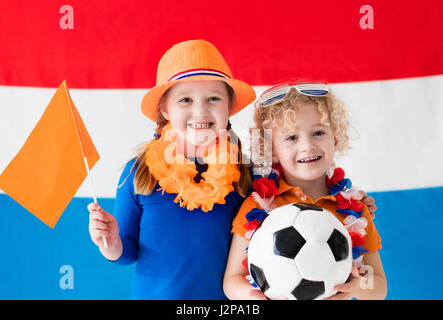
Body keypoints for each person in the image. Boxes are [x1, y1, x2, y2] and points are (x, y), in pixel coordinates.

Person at [87, 40, 378, 299]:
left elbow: (296, 196)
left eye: (213, 98)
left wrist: (350, 204)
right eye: (185, 99)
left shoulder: (247, 173)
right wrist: (110, 243)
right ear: (164, 109)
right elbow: (127, 253)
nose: (200, 112)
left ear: (229, 108)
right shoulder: (138, 174)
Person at [223, 82, 387, 300]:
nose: (307, 145)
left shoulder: (354, 212)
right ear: (271, 150)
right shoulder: (257, 205)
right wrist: (254, 296)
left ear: (335, 139)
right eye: (291, 137)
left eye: (318, 132)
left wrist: (356, 288)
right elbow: (232, 280)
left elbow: (379, 286)